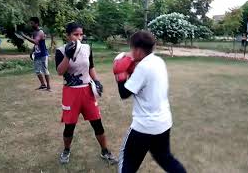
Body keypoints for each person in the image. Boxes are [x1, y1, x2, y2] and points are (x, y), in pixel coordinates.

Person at [113, 31, 187, 173]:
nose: (131, 53)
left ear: (138, 50)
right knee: (165, 158)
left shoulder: (143, 67)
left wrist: (120, 76)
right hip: (163, 123)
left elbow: (124, 94)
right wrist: (131, 69)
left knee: (127, 162)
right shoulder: (158, 61)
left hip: (144, 127)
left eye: (132, 49)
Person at [55, 22, 117, 165]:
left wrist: (97, 80)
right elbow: (60, 72)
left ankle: (105, 151)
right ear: (68, 35)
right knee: (69, 126)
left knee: (97, 123)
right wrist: (68, 56)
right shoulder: (61, 50)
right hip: (70, 92)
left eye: (81, 34)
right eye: (75, 34)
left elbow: (91, 67)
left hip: (87, 90)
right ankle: (66, 150)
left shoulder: (87, 48)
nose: (79, 38)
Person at [20, 17, 51, 91]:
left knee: (45, 70)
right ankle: (43, 85)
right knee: (37, 71)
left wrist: (25, 36)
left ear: (36, 23)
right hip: (37, 54)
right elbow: (36, 44)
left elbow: (36, 41)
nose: (31, 25)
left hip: (43, 54)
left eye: (32, 23)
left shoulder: (40, 32)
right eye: (30, 23)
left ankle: (48, 87)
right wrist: (32, 51)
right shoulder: (34, 32)